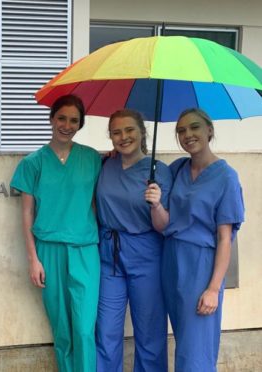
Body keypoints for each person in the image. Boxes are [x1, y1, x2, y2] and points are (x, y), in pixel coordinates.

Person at [10, 94, 101, 372]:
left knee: (84, 329)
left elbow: (100, 200)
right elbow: (27, 214)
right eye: (61, 118)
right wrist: (33, 259)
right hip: (48, 251)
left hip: (85, 251)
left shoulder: (92, 158)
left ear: (80, 124)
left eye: (74, 120)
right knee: (62, 331)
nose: (67, 125)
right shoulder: (33, 163)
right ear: (51, 119)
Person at [150, 108, 245, 371]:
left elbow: (225, 239)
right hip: (171, 259)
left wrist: (213, 289)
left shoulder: (226, 177)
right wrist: (157, 205)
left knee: (196, 349)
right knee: (183, 339)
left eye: (194, 127)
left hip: (201, 264)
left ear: (209, 131)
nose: (187, 134)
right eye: (181, 130)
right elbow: (163, 224)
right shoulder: (178, 168)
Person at [95, 109, 172, 372]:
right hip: (109, 257)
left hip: (146, 255)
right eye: (116, 132)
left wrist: (156, 204)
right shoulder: (105, 164)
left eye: (129, 130)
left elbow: (164, 225)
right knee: (106, 331)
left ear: (142, 132)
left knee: (150, 333)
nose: (123, 136)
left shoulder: (158, 171)